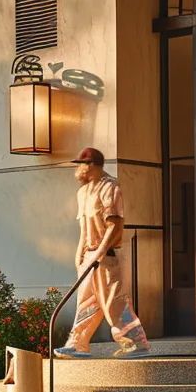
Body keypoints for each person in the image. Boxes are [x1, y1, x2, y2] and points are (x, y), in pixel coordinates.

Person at [55, 147, 150, 359]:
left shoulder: (111, 187)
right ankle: (77, 344)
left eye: (81, 163)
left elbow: (114, 224)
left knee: (114, 302)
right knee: (87, 300)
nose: (78, 168)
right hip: (89, 255)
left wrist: (100, 251)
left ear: (92, 165)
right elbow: (84, 227)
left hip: (107, 255)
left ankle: (136, 344)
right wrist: (80, 254)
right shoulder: (83, 192)